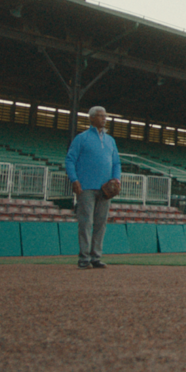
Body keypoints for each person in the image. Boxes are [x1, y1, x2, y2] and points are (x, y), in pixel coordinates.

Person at [65, 106, 121, 269]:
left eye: (105, 116)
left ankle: (96, 256)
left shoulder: (111, 140)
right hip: (86, 187)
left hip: (105, 189)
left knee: (100, 222)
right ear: (91, 118)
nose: (104, 118)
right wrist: (74, 179)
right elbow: (70, 160)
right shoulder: (81, 138)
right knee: (86, 222)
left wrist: (116, 179)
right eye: (100, 116)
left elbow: (116, 162)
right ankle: (84, 258)